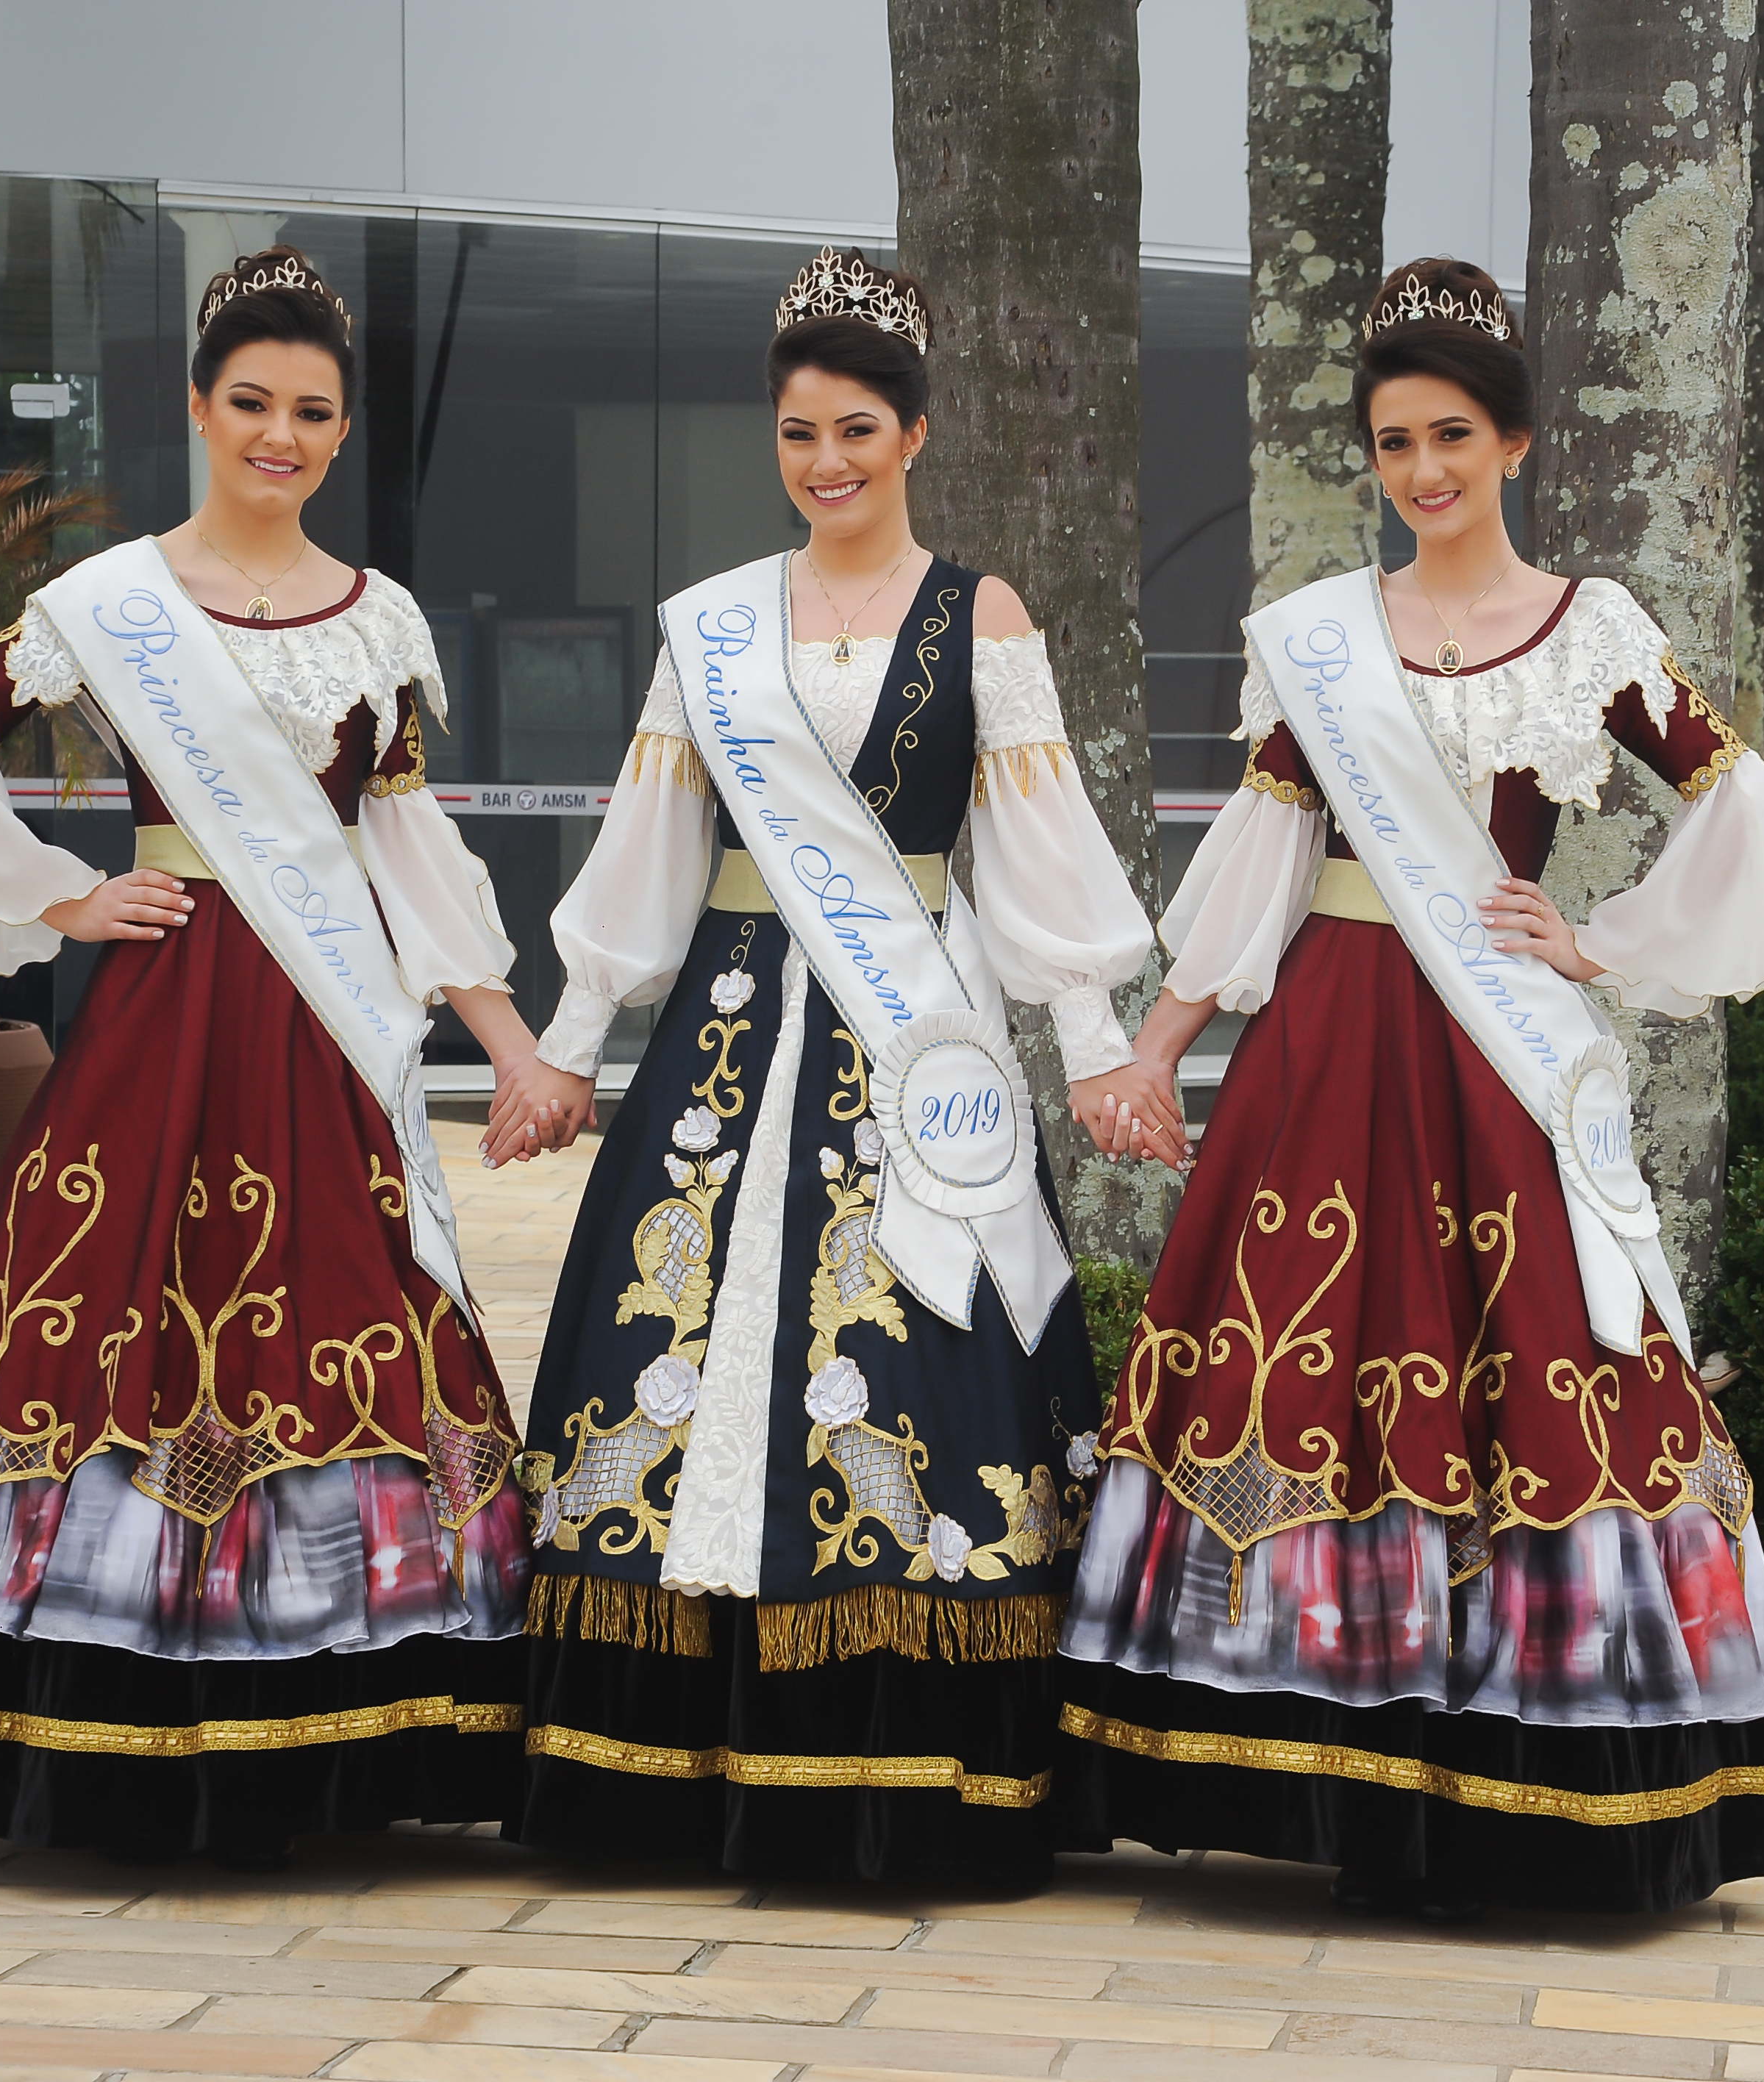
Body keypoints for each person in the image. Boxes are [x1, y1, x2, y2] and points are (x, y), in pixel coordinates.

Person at [1054, 257, 1764, 1915]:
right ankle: (1311, 1760)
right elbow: (1265, 854)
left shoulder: (1594, 632)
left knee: (1537, 1364)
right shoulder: (1322, 642)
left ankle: (1532, 1768)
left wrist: (1603, 942)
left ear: (1521, 443)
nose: (1424, 471)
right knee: (1310, 1357)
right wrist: (1156, 1042)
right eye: (1397, 442)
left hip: (1495, 1055)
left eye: (1455, 436)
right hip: (1328, 1045)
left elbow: (1739, 805)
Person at [0, 247, 560, 1865]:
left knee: (347, 1314)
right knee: (115, 1312)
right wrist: (61, 897)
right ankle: (97, 1729)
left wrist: (509, 1045)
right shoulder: (103, 608)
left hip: (326, 1028)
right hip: (167, 1014)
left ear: (343, 433)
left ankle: (356, 1730)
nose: (279, 436)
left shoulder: (381, 623)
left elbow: (412, 854)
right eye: (251, 404)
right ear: (200, 408)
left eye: (312, 413)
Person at [493, 248, 1176, 1884]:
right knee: (671, 1348)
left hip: (912, 1031)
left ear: (917, 434)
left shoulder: (981, 617)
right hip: (723, 1039)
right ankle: (655, 1772)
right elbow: (650, 846)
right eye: (800, 435)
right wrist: (569, 1048)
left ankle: (897, 1769)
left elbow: (1034, 855)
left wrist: (1092, 1047)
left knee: (922, 1353)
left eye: (857, 431)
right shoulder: (714, 628)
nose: (827, 465)